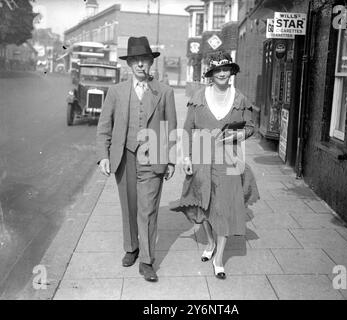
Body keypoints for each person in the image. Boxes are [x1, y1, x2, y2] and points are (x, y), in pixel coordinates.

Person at [171, 51, 259, 280]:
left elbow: (250, 127)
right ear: (211, 74)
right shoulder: (199, 97)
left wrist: (237, 136)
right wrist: (186, 157)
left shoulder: (239, 98)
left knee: (225, 208)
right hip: (201, 157)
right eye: (217, 70)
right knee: (205, 205)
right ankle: (210, 242)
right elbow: (188, 130)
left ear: (231, 72)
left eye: (225, 69)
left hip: (228, 160)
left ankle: (218, 258)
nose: (222, 73)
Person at [96, 36, 177, 282]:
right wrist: (103, 156)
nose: (141, 65)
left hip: (152, 159)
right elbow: (104, 126)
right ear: (128, 64)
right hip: (125, 158)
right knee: (129, 207)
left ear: (151, 62)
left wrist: (170, 159)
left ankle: (147, 260)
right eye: (135, 60)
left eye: (145, 60)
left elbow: (170, 129)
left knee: (148, 210)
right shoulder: (116, 92)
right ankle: (132, 248)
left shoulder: (164, 91)